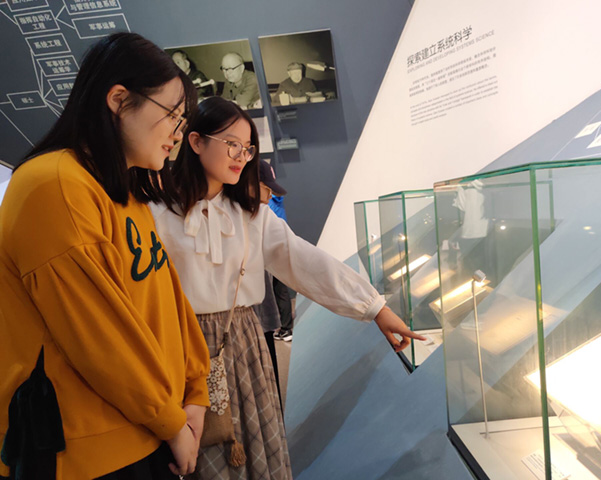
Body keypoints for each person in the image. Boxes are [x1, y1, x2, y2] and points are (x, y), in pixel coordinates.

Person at [151, 96, 425, 479]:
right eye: (231, 144)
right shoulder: (155, 213)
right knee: (195, 454)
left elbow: (305, 262)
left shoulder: (252, 215)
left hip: (243, 343)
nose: (241, 156)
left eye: (248, 148)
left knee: (255, 445)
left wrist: (375, 308)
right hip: (180, 345)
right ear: (195, 142)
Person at [0, 33, 210, 479]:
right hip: (87, 450)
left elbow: (166, 300)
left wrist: (194, 390)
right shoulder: (54, 185)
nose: (177, 133)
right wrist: (171, 420)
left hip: (144, 427)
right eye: (172, 116)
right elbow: (97, 335)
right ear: (118, 100)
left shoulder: (122, 188)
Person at [257, 161, 295, 343]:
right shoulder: (271, 204)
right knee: (279, 290)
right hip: (277, 250)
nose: (268, 196)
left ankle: (284, 328)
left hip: (272, 251)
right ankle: (285, 328)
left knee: (276, 290)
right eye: (267, 189)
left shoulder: (265, 209)